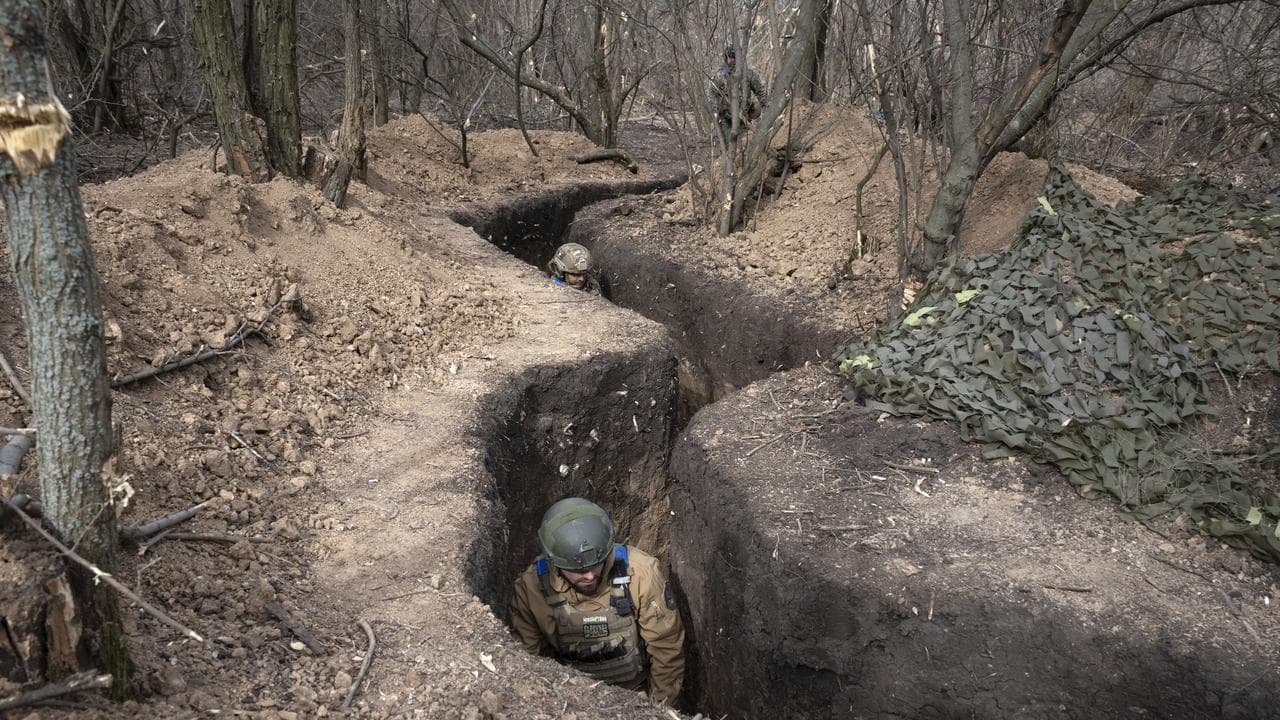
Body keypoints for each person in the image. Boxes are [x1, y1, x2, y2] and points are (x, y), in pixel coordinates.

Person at [510, 498, 685, 705]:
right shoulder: (531, 588)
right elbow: (524, 661)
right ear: (554, 562)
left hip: (634, 698)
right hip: (569, 702)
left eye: (596, 565)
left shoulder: (641, 574)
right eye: (579, 570)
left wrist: (658, 709)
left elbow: (666, 649)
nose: (590, 576)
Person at [706, 45, 768, 148]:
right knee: (728, 146)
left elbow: (760, 90)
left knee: (744, 145)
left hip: (743, 117)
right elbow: (712, 92)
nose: (730, 60)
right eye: (728, 57)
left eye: (733, 57)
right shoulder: (721, 74)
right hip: (726, 117)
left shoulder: (747, 74)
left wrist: (765, 107)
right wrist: (715, 110)